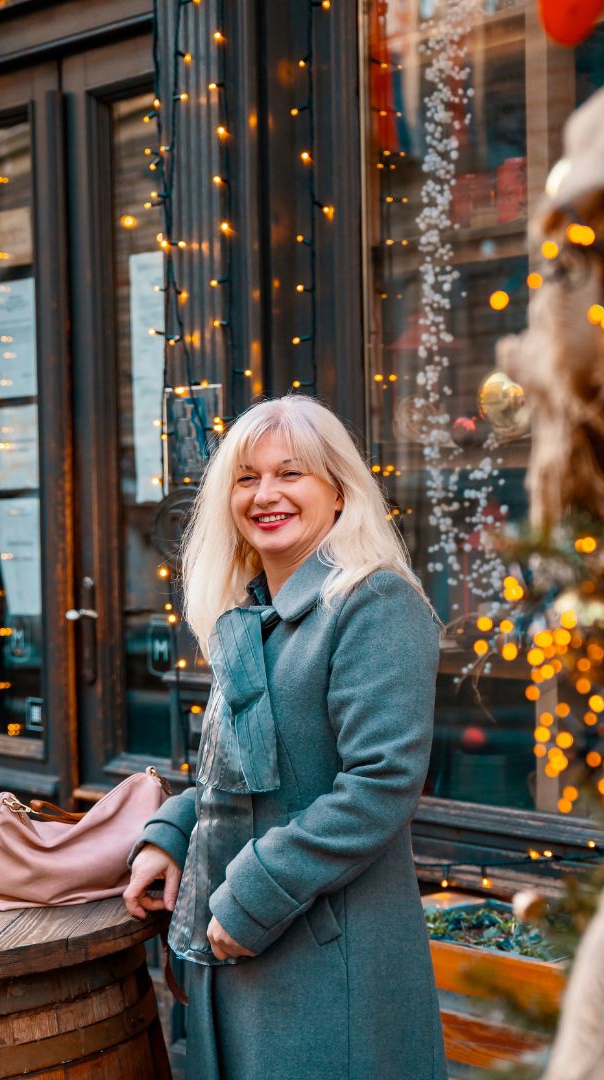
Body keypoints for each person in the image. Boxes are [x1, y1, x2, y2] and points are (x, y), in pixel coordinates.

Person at [123, 395, 447, 1079]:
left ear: (338, 492)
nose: (265, 494)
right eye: (247, 478)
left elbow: (379, 787)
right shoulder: (252, 615)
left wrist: (249, 898)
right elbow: (236, 768)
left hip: (323, 957)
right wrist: (172, 835)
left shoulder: (373, 603)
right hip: (242, 949)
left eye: (290, 474)